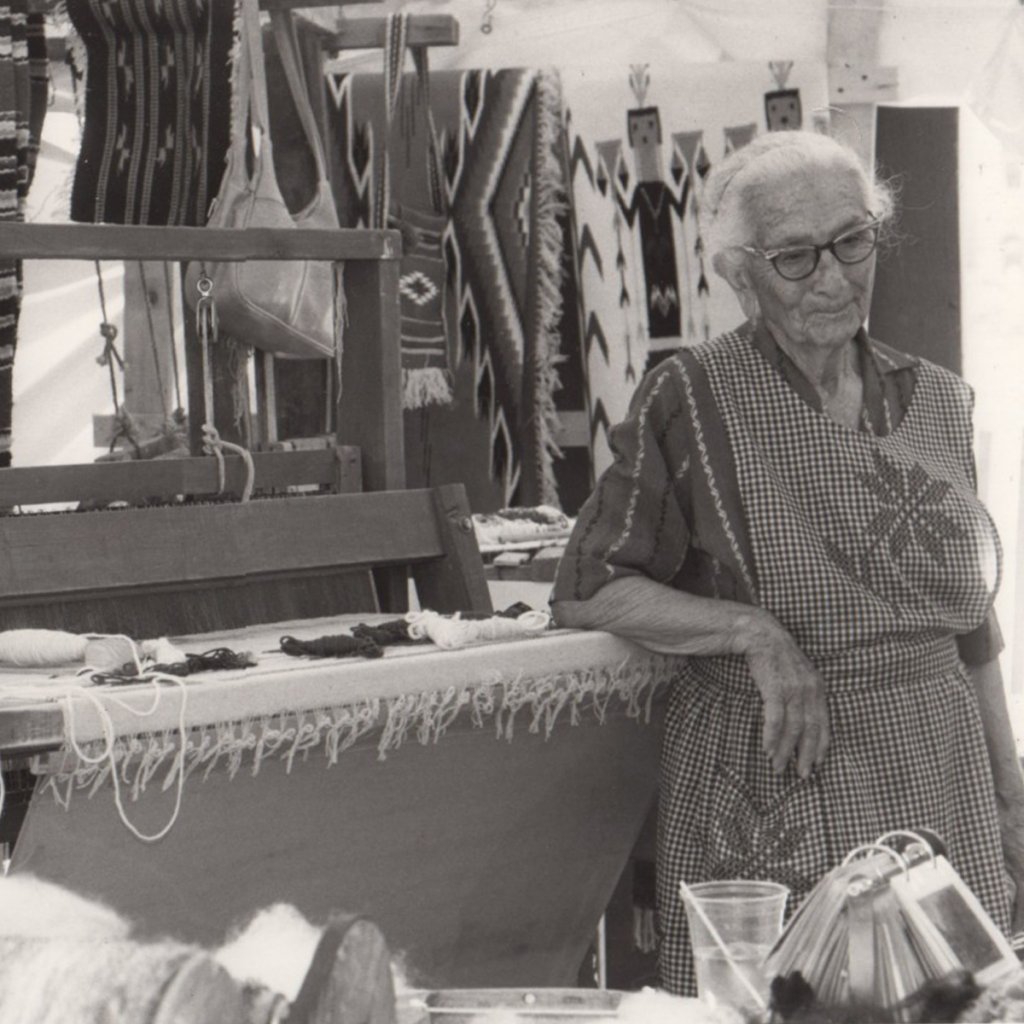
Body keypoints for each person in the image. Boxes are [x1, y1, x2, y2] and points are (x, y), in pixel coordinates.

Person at [550, 129, 1024, 996]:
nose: (835, 277)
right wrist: (754, 633)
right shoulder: (691, 397)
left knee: (959, 1010)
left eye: (852, 240)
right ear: (739, 275)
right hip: (778, 780)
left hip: (938, 771)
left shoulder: (940, 400)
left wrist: (1010, 786)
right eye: (796, 258)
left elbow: (971, 622)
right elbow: (591, 587)